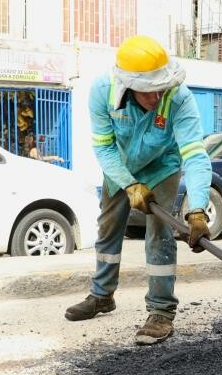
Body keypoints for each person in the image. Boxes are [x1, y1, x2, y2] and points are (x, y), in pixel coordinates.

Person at [64, 35, 212, 345]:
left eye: (161, 88)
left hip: (162, 167)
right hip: (120, 167)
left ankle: (161, 311)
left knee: (159, 234)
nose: (157, 96)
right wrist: (129, 184)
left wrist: (198, 209)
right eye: (148, 90)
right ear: (128, 86)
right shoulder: (103, 91)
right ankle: (102, 296)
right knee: (108, 228)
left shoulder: (179, 97)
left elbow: (195, 155)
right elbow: (103, 147)